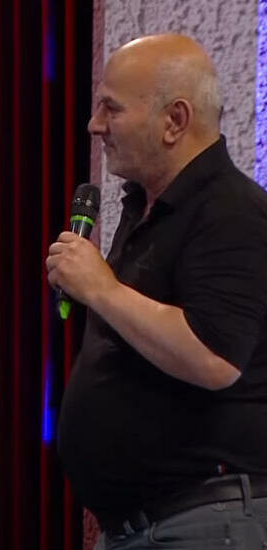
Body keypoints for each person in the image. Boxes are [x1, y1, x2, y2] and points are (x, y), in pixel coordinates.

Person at [47, 34, 267, 549]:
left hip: (203, 523)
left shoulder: (232, 212)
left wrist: (101, 288)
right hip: (143, 527)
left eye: (111, 108)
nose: (94, 124)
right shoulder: (147, 207)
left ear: (175, 120)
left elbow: (214, 356)